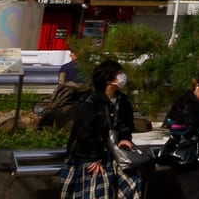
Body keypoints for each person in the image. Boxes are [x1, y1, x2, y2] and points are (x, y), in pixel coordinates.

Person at [60, 58, 141, 199]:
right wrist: (94, 158)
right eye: (119, 73)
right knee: (98, 191)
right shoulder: (92, 102)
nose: (122, 77)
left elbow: (126, 124)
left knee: (133, 183)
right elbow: (85, 132)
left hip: (113, 155)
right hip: (89, 157)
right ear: (108, 79)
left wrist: (125, 138)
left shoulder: (122, 100)